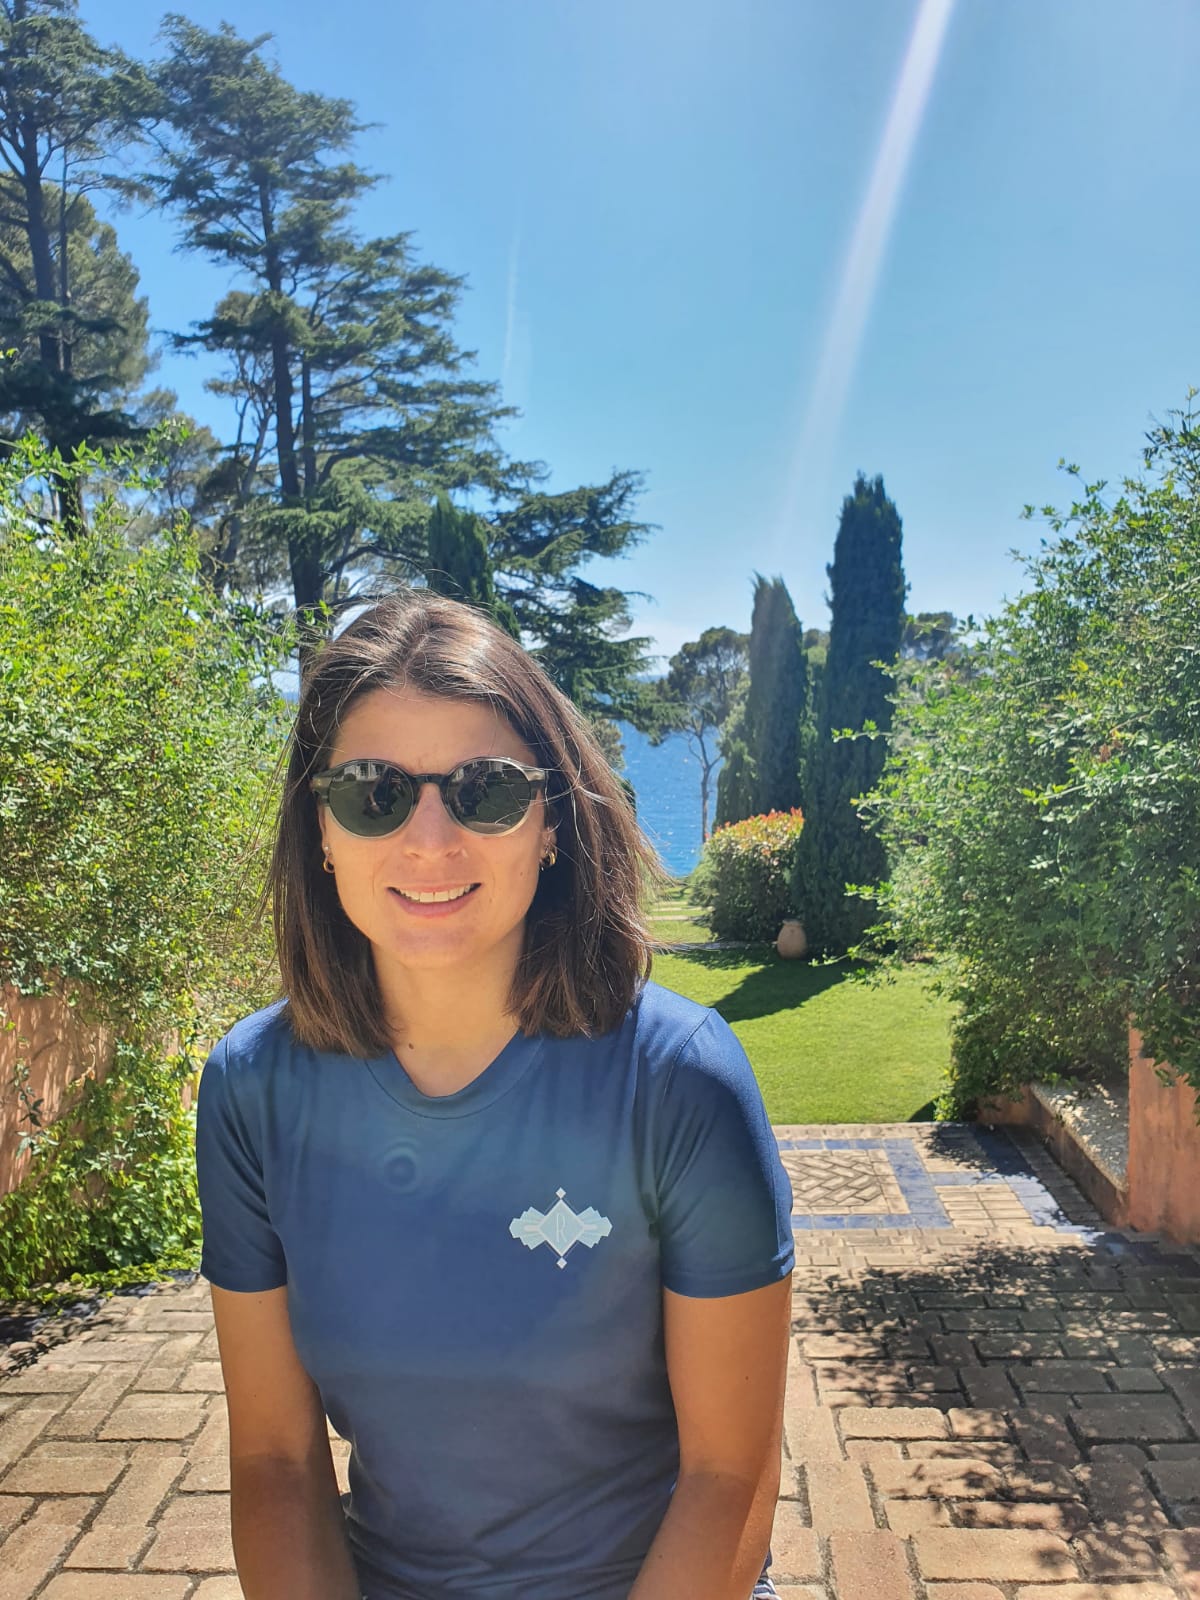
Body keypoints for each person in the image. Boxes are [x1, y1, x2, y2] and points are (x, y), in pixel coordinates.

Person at [194, 588, 795, 1600]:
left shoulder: (678, 1080)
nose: (431, 840)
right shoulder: (253, 1089)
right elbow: (275, 1459)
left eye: (486, 791)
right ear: (321, 830)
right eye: (374, 792)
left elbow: (729, 1478)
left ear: (550, 821)